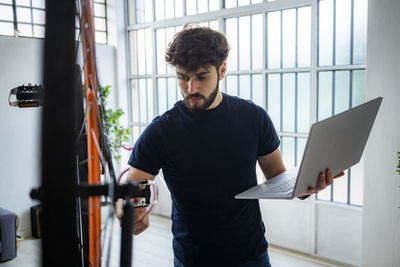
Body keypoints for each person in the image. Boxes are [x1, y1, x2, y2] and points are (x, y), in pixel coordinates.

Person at [116, 25, 344, 267]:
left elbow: (278, 176)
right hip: (194, 259)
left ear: (222, 69)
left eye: (202, 76)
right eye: (183, 77)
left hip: (252, 254)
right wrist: (128, 208)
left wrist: (308, 185)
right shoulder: (161, 131)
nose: (191, 88)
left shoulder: (253, 117)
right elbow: (133, 185)